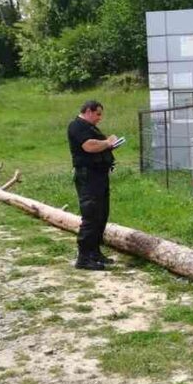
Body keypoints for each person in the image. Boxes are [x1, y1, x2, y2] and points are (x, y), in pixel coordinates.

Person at [68, 100, 118, 270]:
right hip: (87, 176)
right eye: (97, 114)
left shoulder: (91, 127)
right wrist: (108, 142)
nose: (100, 118)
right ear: (88, 111)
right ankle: (83, 258)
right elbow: (89, 146)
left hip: (99, 176)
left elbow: (99, 146)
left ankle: (95, 252)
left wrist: (109, 144)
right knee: (90, 215)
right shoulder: (77, 126)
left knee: (102, 214)